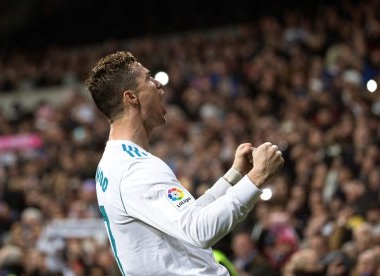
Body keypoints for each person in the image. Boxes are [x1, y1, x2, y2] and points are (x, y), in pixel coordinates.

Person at [85, 51, 284, 275]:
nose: (159, 84)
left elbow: (187, 219)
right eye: (148, 78)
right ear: (131, 97)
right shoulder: (135, 168)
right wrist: (257, 178)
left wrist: (235, 175)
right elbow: (199, 231)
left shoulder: (115, 161)